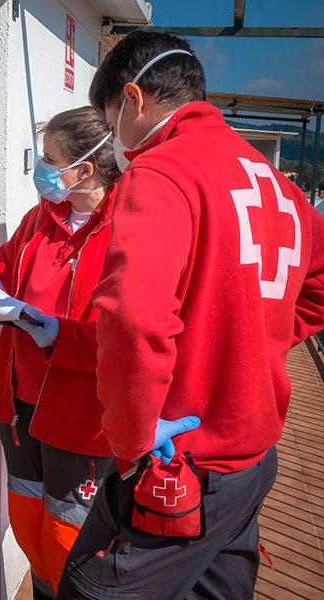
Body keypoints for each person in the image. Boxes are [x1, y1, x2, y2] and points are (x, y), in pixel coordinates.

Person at [57, 32, 324, 600]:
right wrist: (258, 340)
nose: (118, 143)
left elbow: (133, 319)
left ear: (132, 99)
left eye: (111, 124)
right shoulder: (278, 184)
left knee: (87, 587)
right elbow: (319, 286)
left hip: (179, 465)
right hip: (251, 456)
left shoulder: (160, 173)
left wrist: (129, 444)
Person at [0, 106, 120, 598]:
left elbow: (124, 332)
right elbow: (6, 266)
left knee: (71, 534)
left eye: (50, 158)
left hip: (81, 415)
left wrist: (61, 334)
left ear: (83, 170)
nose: (41, 167)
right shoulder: (40, 217)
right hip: (20, 407)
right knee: (28, 518)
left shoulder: (126, 227)